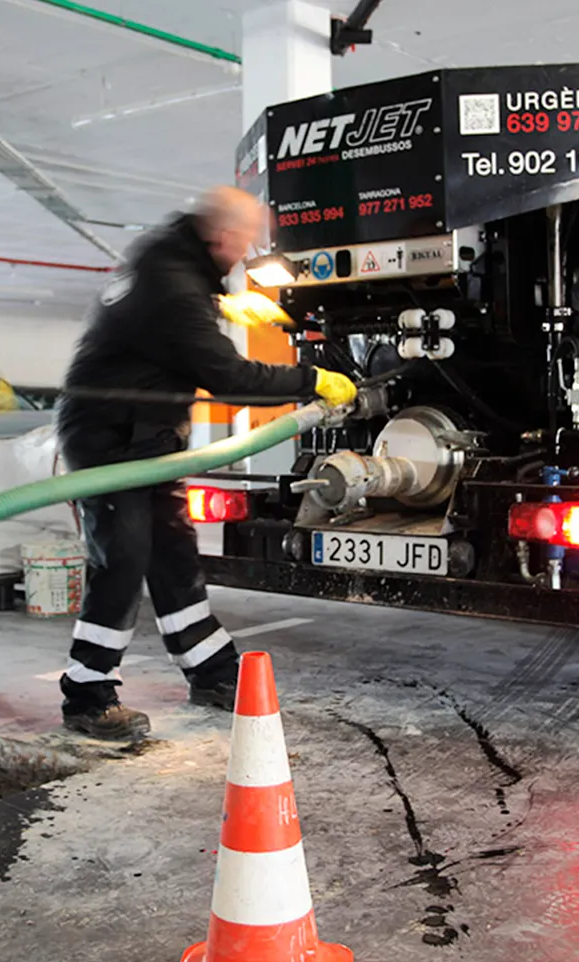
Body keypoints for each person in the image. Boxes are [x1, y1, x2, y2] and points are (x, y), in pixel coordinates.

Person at [55, 187, 356, 740]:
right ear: (221, 235)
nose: (245, 253)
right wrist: (310, 381)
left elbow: (161, 329)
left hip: (147, 435)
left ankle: (214, 673)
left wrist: (219, 305)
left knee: (172, 554)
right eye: (243, 240)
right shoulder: (173, 284)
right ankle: (87, 694)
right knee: (122, 559)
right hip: (109, 438)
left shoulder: (172, 262)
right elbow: (229, 377)